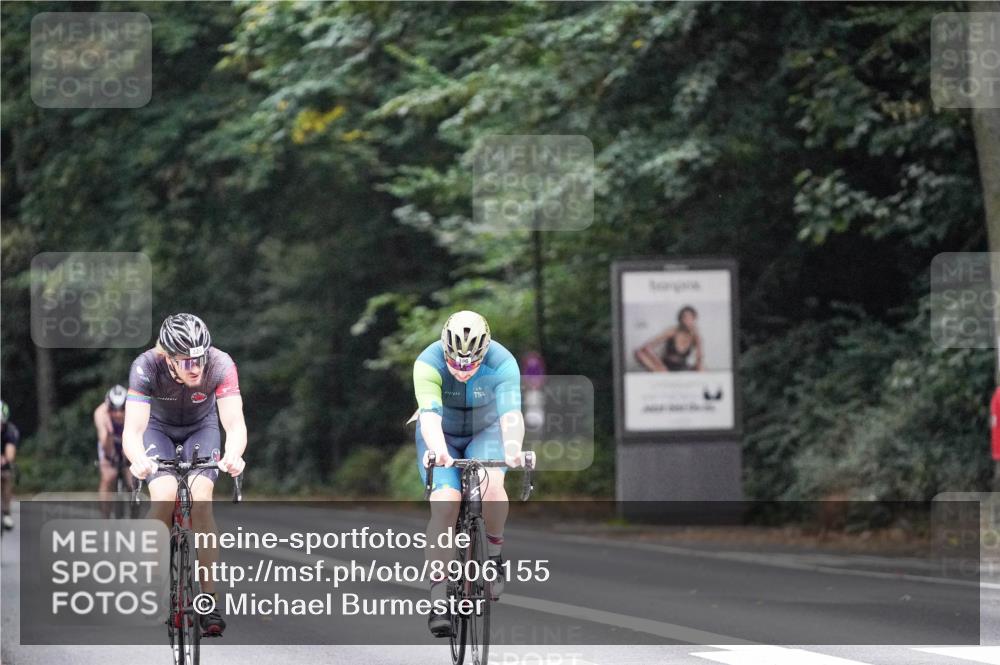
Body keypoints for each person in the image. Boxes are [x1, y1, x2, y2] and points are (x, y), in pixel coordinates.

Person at [123, 313, 247, 636]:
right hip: (157, 430)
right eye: (186, 361)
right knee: (163, 495)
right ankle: (157, 581)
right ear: (167, 358)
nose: (196, 367)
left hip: (201, 428)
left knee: (201, 499)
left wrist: (234, 454)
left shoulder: (220, 364)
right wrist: (137, 460)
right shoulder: (145, 366)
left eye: (199, 359)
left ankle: (209, 598)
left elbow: (234, 423)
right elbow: (133, 430)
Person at [412, 310, 525, 637]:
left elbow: (510, 415)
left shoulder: (502, 362)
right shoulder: (427, 361)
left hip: (486, 431)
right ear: (445, 350)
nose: (462, 370)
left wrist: (514, 447)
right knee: (445, 503)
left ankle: (493, 554)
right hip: (441, 433)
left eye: (471, 364)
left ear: (484, 350)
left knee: (491, 484)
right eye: (455, 362)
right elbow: (430, 416)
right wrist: (439, 450)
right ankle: (437, 596)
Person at [634, 305, 704, 372]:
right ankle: (662, 372)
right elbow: (647, 347)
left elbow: (699, 359)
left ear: (694, 319)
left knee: (701, 368)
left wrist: (698, 340)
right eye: (684, 317)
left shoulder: (695, 335)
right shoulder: (672, 331)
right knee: (638, 353)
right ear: (680, 319)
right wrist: (659, 364)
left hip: (682, 366)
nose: (687, 320)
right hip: (666, 366)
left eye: (690, 318)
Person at [95, 385, 130, 515]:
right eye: (114, 410)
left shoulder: (134, 411)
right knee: (108, 477)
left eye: (122, 409)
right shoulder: (100, 414)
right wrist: (111, 459)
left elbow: (136, 439)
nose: (118, 414)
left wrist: (127, 460)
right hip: (109, 442)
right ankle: (105, 518)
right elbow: (104, 442)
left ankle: (135, 513)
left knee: (132, 481)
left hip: (129, 442)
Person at [1, 401, 20, 530]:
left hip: (2, 458)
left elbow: (10, 454)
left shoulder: (10, 430)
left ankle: (6, 513)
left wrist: (5, 460)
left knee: (7, 475)